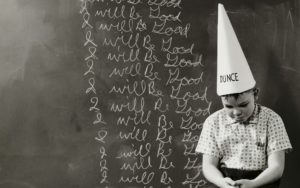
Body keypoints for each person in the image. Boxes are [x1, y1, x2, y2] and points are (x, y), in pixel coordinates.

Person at [195, 4, 292, 188]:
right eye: (229, 106)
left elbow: (277, 167)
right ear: (222, 100)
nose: (236, 112)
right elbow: (208, 166)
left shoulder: (272, 120)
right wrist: (221, 182)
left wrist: (253, 183)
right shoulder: (213, 123)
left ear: (255, 94)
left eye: (243, 104)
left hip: (262, 183)